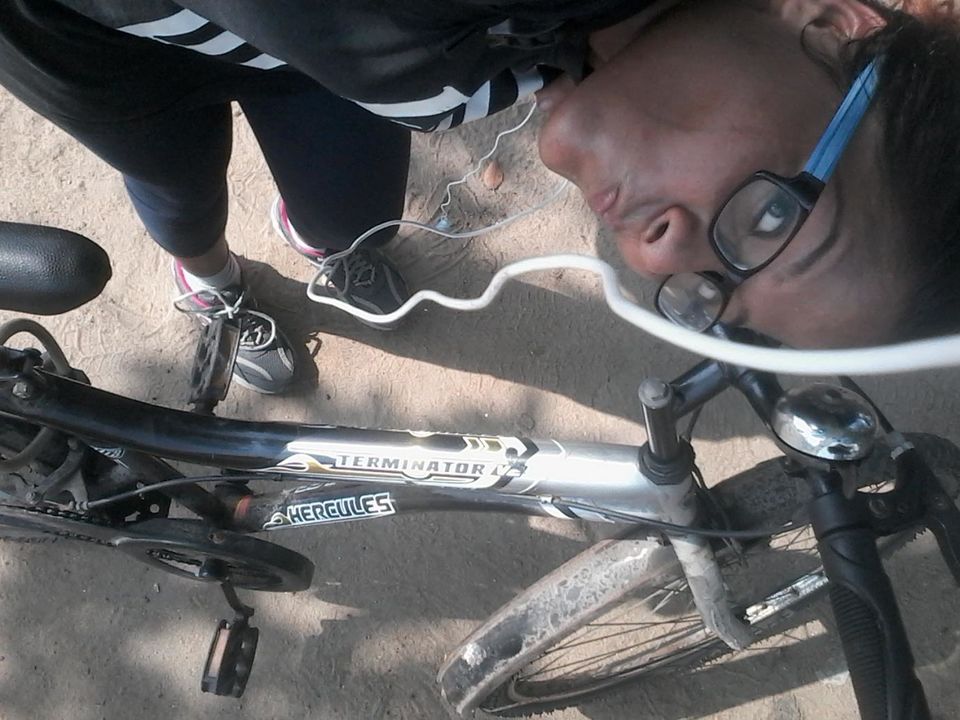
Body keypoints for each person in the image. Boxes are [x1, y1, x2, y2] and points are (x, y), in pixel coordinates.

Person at [0, 1, 955, 395]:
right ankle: (211, 278)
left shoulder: (468, 76)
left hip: (301, 69)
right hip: (97, 50)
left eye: (704, 292)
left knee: (341, 214)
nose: (660, 254)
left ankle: (317, 241)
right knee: (176, 186)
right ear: (835, 26)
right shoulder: (424, 31)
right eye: (775, 219)